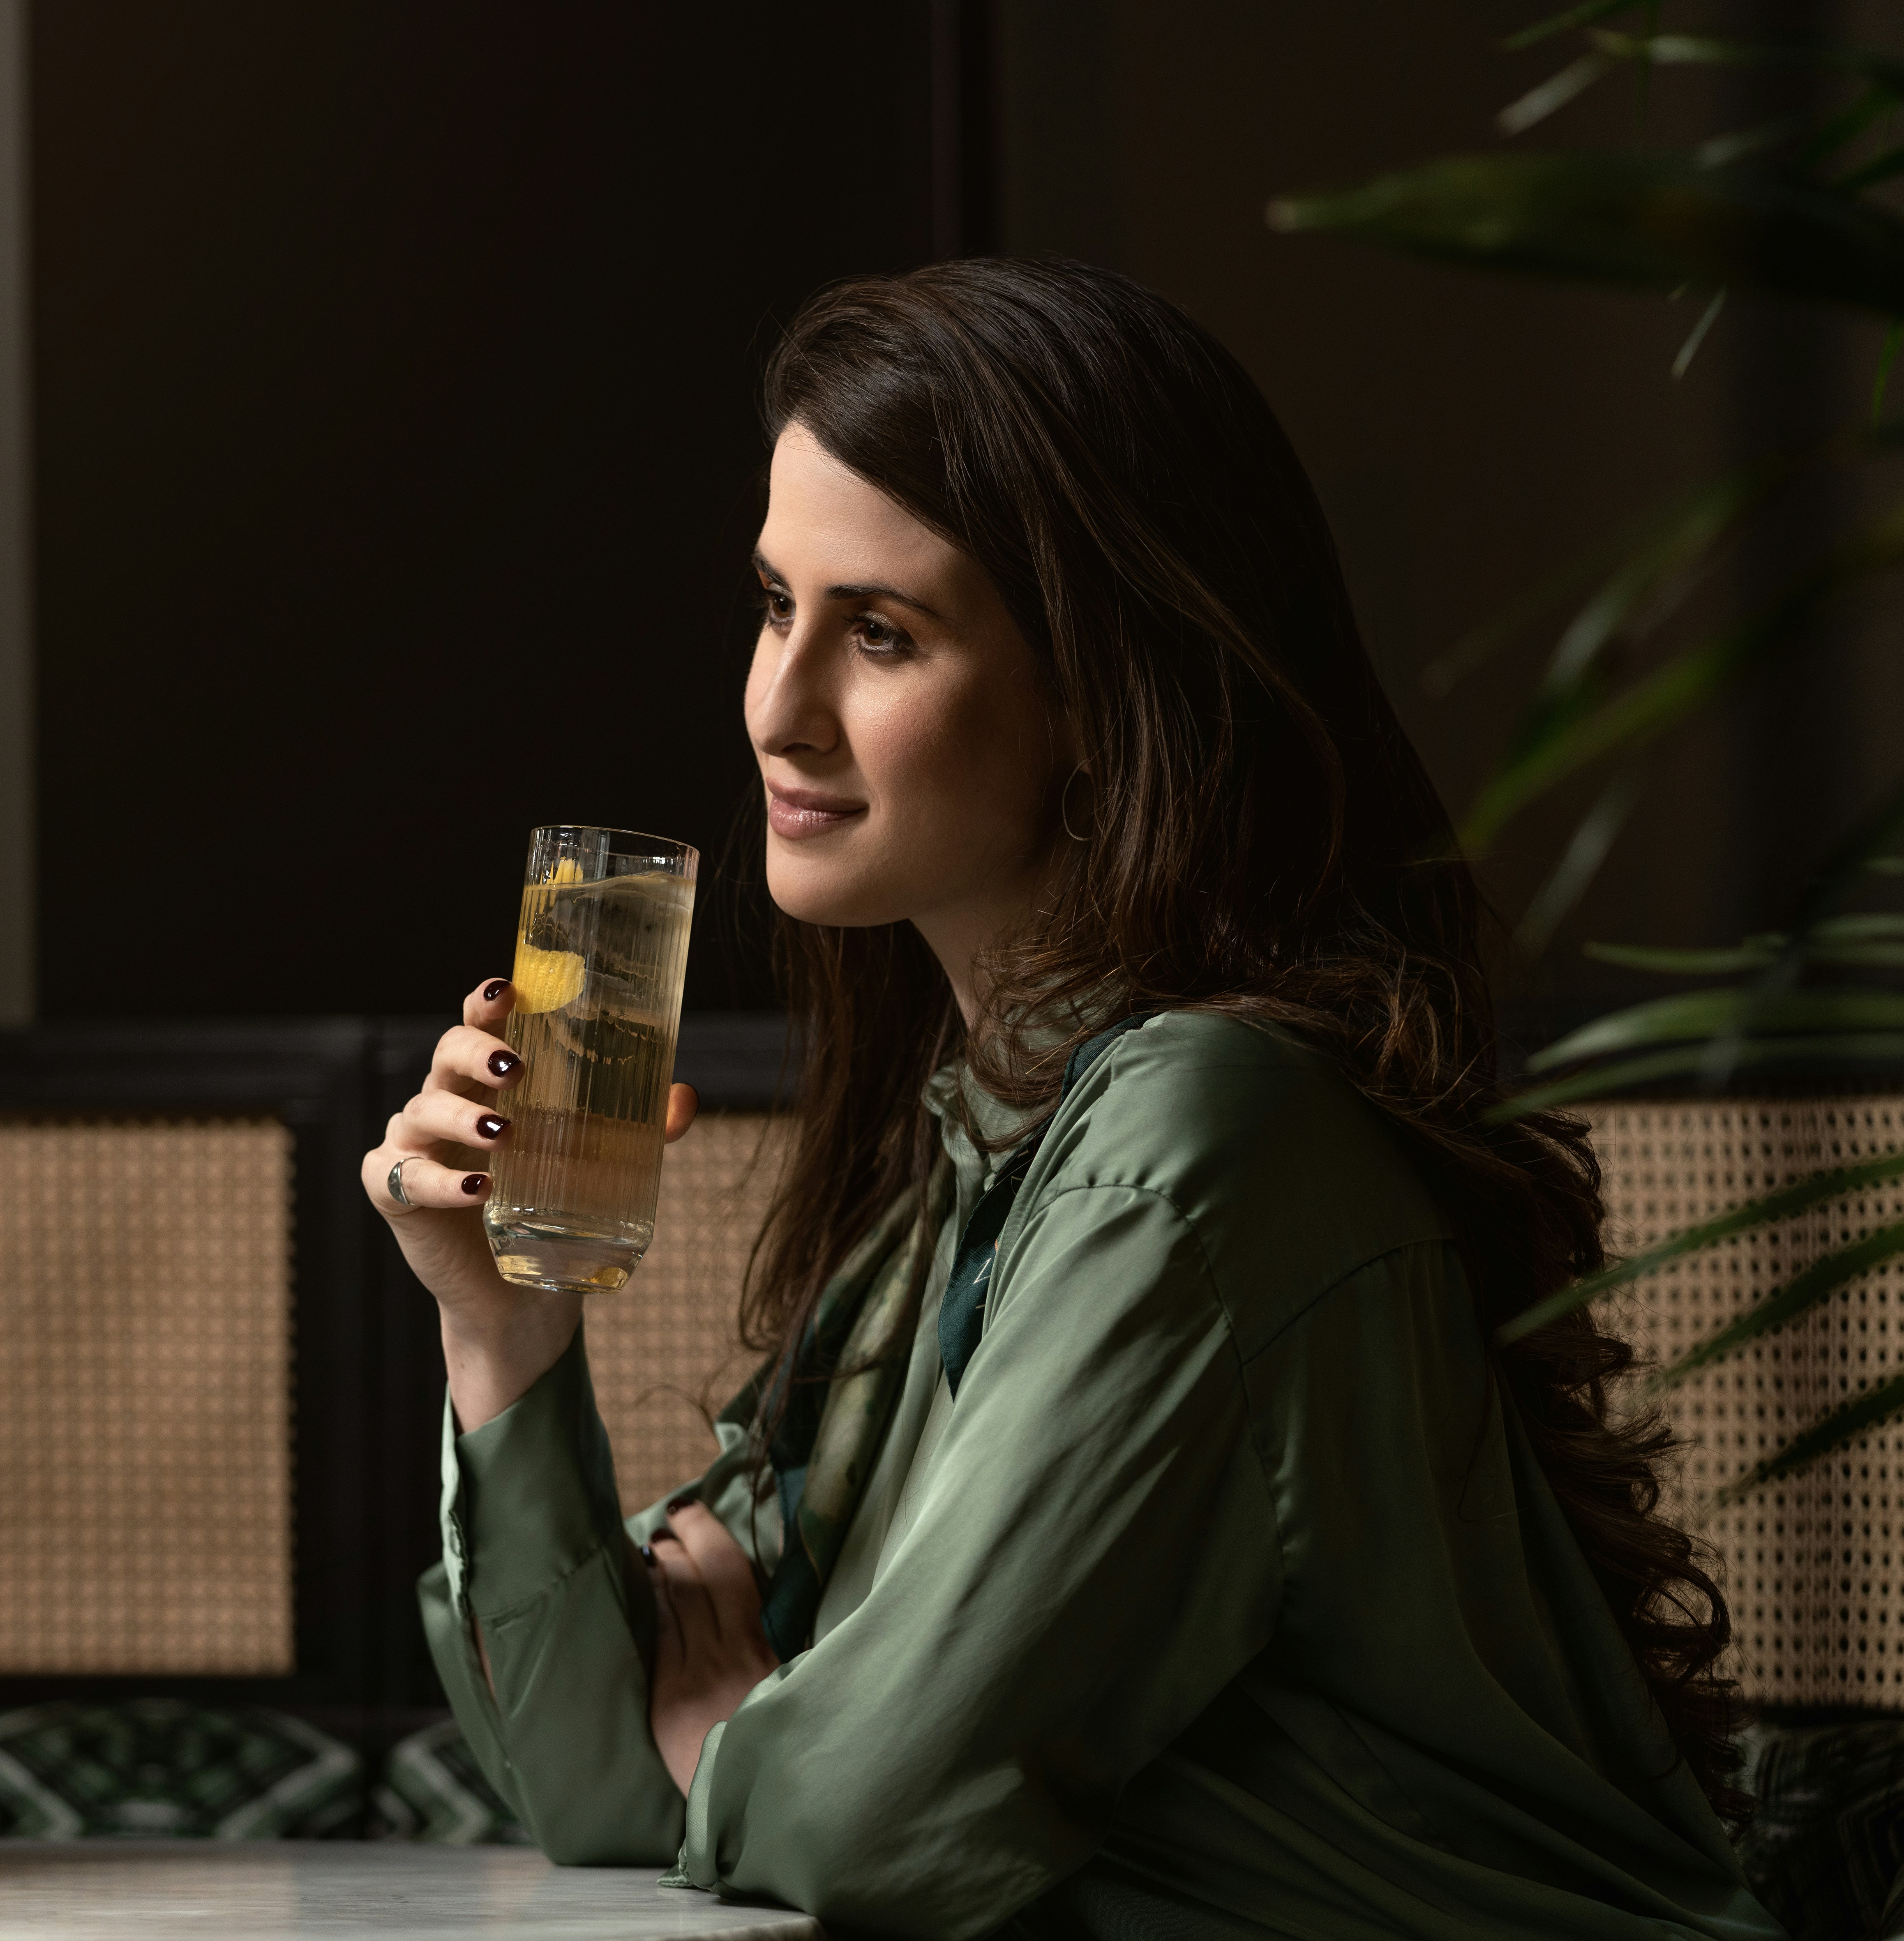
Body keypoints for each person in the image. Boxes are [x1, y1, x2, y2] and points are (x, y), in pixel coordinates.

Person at [360, 258, 1783, 1941]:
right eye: (771, 605)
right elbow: (596, 1779)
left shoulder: (1196, 1141)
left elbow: (854, 1814)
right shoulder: (973, 1149)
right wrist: (498, 1333)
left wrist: (737, 1726)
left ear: (1103, 695)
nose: (775, 708)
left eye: (878, 632)